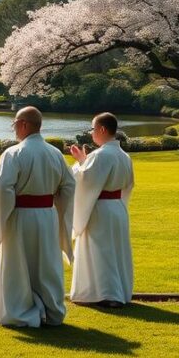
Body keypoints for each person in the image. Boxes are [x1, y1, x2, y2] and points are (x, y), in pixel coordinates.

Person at [0, 106, 75, 327]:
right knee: (46, 265)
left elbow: (0, 187)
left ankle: (20, 312)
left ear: (23, 124)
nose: (14, 129)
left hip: (20, 217)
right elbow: (69, 186)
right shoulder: (55, 153)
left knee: (18, 266)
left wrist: (5, 211)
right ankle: (51, 311)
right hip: (48, 217)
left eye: (14, 125)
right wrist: (57, 209)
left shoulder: (14, 153)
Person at [67, 112, 135, 307]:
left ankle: (107, 294)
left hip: (100, 209)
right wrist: (83, 162)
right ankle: (118, 292)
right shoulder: (123, 156)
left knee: (101, 251)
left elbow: (84, 181)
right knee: (115, 251)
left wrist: (79, 165)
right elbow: (128, 185)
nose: (92, 133)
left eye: (93, 129)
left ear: (102, 129)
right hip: (117, 207)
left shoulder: (101, 155)